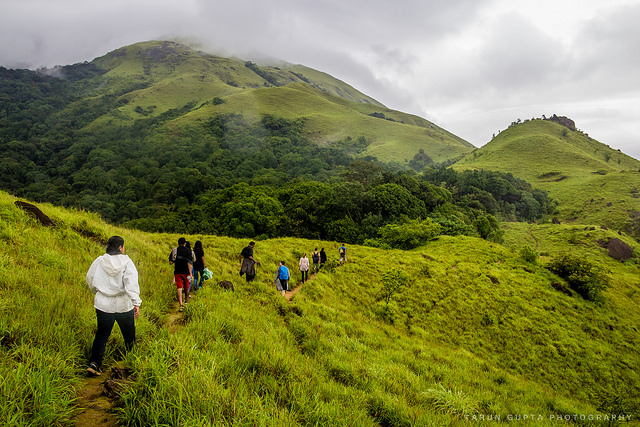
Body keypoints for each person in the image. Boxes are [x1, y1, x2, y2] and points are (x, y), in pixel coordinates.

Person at [86, 236, 141, 376]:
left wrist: (97, 291)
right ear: (120, 247)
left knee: (102, 335)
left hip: (103, 304)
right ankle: (133, 362)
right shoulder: (127, 262)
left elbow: (90, 279)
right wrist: (136, 303)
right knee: (129, 336)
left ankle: (94, 363)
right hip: (123, 305)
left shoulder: (99, 261)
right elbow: (131, 284)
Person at [170, 237, 193, 311]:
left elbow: (170, 262)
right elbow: (189, 263)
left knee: (179, 287)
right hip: (186, 273)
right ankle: (186, 300)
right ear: (185, 243)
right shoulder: (188, 251)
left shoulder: (175, 250)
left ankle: (180, 304)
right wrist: (191, 274)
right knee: (187, 286)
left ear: (178, 243)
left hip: (177, 272)